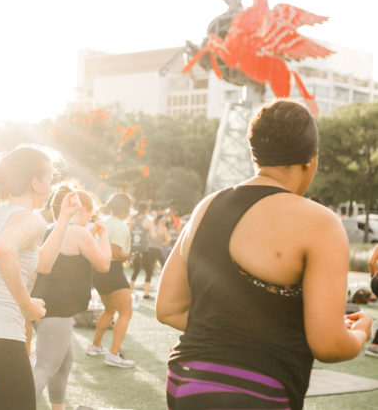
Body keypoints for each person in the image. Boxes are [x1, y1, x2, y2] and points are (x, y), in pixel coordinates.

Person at [156, 100, 373, 410]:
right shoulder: (320, 223)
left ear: (254, 153)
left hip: (186, 381)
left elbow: (168, 308)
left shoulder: (206, 207)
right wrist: (361, 332)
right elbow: (328, 344)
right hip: (256, 391)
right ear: (311, 160)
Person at [0, 145, 80, 410]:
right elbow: (4, 249)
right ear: (34, 182)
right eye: (49, 179)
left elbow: (43, 263)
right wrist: (27, 305)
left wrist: (64, 218)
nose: (50, 186)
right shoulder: (31, 220)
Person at [31, 184, 111, 410]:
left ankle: (58, 407)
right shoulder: (78, 232)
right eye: (90, 212)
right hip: (59, 308)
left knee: (64, 363)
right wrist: (103, 237)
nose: (90, 217)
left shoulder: (49, 229)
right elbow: (105, 264)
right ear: (82, 209)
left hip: (43, 303)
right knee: (46, 365)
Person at [88, 192, 135, 368]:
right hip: (112, 271)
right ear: (125, 209)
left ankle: (95, 346)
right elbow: (115, 252)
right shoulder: (121, 227)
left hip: (98, 271)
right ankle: (113, 354)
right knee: (126, 311)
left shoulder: (103, 223)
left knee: (109, 309)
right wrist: (128, 256)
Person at [129, 202, 156, 299]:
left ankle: (130, 290)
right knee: (149, 270)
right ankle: (146, 293)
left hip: (134, 248)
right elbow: (153, 236)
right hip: (144, 249)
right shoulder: (148, 221)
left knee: (136, 270)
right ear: (146, 210)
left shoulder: (132, 220)